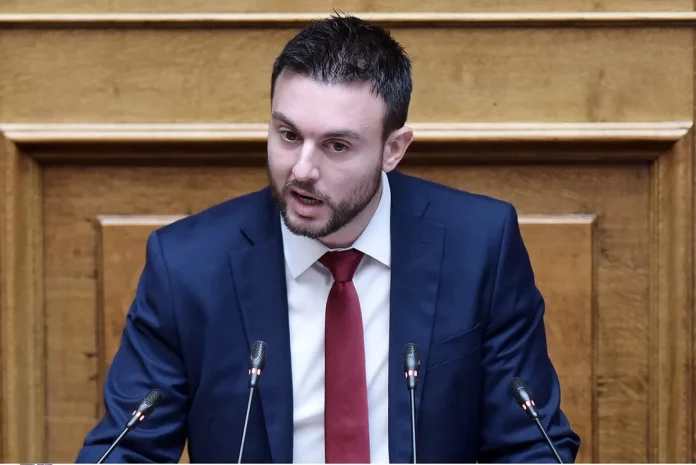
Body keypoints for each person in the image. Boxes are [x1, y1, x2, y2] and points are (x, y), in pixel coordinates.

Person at [76, 13, 580, 463]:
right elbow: (129, 447)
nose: (302, 169)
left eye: (337, 145)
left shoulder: (479, 246)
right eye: (288, 135)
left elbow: (530, 443)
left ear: (393, 149)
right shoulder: (188, 266)